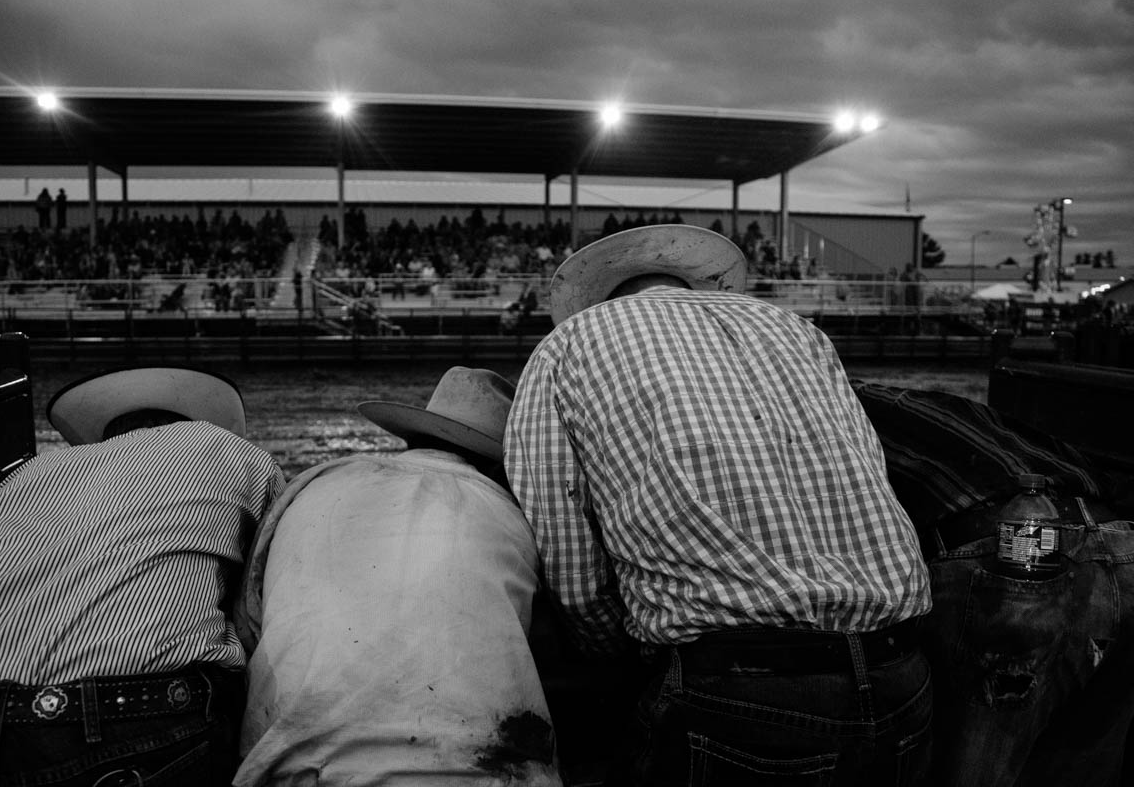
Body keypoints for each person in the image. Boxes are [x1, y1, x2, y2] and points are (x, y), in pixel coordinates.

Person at [503, 224, 933, 785]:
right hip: (901, 668)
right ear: (689, 282)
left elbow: (563, 540)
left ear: (601, 299)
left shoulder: (569, 344)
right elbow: (866, 459)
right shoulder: (797, 330)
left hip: (736, 684)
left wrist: (613, 649)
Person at [0, 366, 284, 786]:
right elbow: (262, 592)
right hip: (118, 715)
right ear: (194, 423)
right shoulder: (235, 453)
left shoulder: (35, 471)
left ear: (107, 436)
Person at [236, 367, 562, 786]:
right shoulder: (515, 517)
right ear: (503, 464)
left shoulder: (312, 486)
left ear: (413, 435)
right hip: (482, 772)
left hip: (295, 768)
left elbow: (250, 619)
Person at [852, 379, 1134, 787]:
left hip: (1008, 543)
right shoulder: (930, 403)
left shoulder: (837, 413)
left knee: (973, 765)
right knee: (1086, 761)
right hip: (1120, 540)